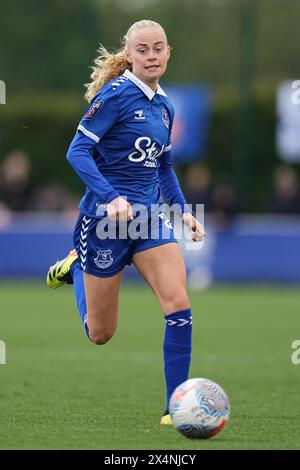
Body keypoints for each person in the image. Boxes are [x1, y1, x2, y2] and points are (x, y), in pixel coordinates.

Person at [46, 19, 205, 426]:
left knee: (179, 306)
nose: (151, 56)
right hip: (103, 224)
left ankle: (177, 407)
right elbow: (77, 151)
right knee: (100, 334)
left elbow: (164, 165)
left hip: (148, 220)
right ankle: (75, 266)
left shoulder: (165, 105)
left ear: (169, 52)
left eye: (158, 48)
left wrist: (182, 209)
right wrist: (110, 197)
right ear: (129, 55)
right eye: (143, 50)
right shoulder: (115, 96)